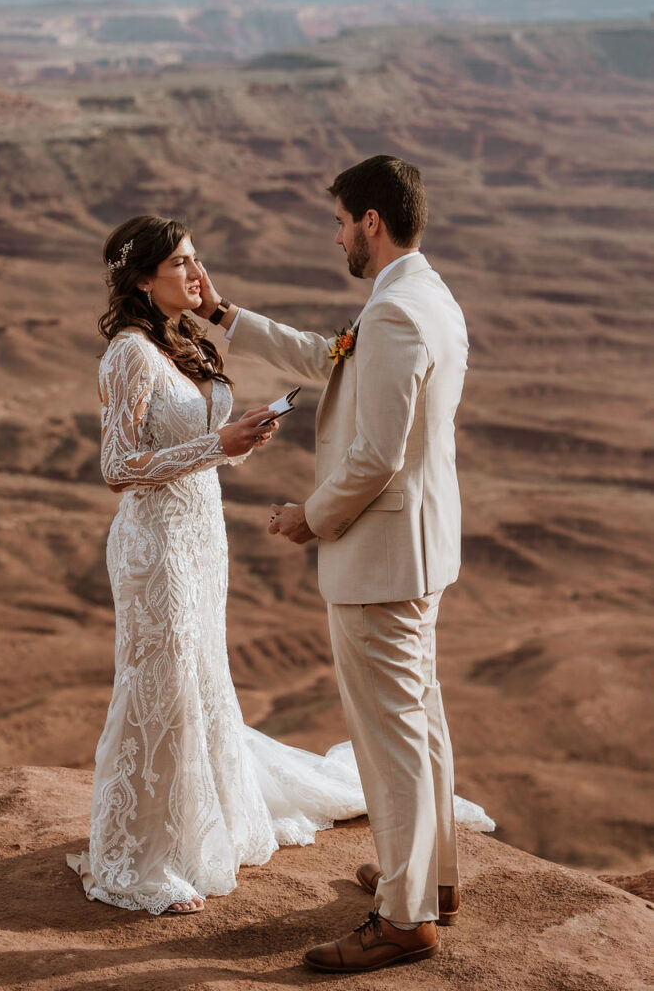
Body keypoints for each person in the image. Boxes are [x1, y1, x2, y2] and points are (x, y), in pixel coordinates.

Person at [196, 155, 476, 969]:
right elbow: (331, 356)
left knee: (388, 734)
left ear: (370, 224)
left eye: (340, 223)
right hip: (417, 549)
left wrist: (306, 520)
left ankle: (402, 918)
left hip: (382, 556)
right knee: (417, 719)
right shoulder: (423, 295)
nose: (337, 237)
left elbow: (376, 457)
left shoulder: (395, 313)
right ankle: (431, 878)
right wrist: (224, 316)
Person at [66, 215, 370, 916]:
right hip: (157, 546)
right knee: (163, 682)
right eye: (179, 264)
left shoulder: (180, 342)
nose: (195, 276)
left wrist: (237, 440)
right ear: (142, 279)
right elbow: (116, 468)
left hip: (202, 536)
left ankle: (197, 825)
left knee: (198, 674)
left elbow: (192, 440)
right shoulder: (128, 355)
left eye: (196, 260)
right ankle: (143, 850)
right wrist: (215, 445)